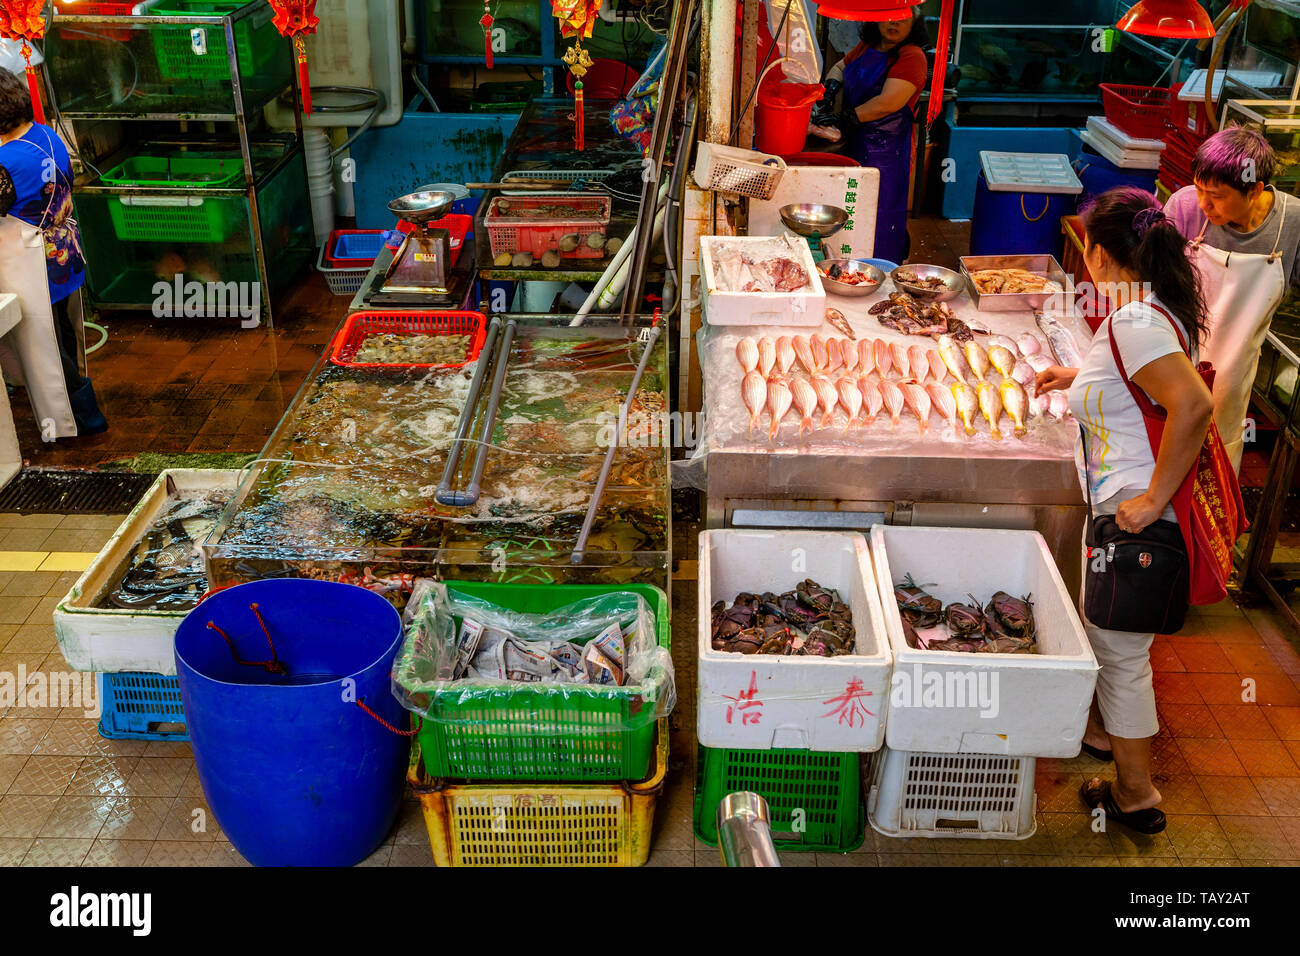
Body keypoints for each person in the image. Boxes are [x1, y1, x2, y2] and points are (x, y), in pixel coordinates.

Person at [1035, 187, 1215, 834]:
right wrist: (1078, 378)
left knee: (1121, 654)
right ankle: (1104, 735)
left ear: (1103, 256)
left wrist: (1151, 500)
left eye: (1087, 249)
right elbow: (1138, 381)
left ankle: (1136, 795)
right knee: (1113, 638)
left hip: (1134, 507)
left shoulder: (1135, 321)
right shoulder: (1152, 308)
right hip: (1124, 498)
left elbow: (1193, 405)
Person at [1163, 126, 1300, 471]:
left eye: (1217, 196)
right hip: (1170, 365)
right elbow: (1152, 288)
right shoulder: (1184, 207)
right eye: (1199, 189)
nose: (1203, 204)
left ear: (1255, 190)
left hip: (1232, 383)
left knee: (1214, 477)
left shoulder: (1293, 223)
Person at [0, 67, 105, 438]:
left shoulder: (6, 162)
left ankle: (83, 418)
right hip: (63, 253)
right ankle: (82, 414)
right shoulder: (47, 134)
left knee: (45, 347)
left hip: (31, 264)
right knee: (62, 332)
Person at [816, 9, 928, 264]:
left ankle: (881, 267)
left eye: (903, 17)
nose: (894, 22)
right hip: (854, 143)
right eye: (889, 15)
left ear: (914, 21)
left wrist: (842, 117)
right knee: (852, 208)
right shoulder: (867, 46)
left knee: (880, 213)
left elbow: (887, 103)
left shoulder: (912, 56)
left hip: (886, 152)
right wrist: (831, 87)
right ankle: (847, 266)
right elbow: (840, 67)